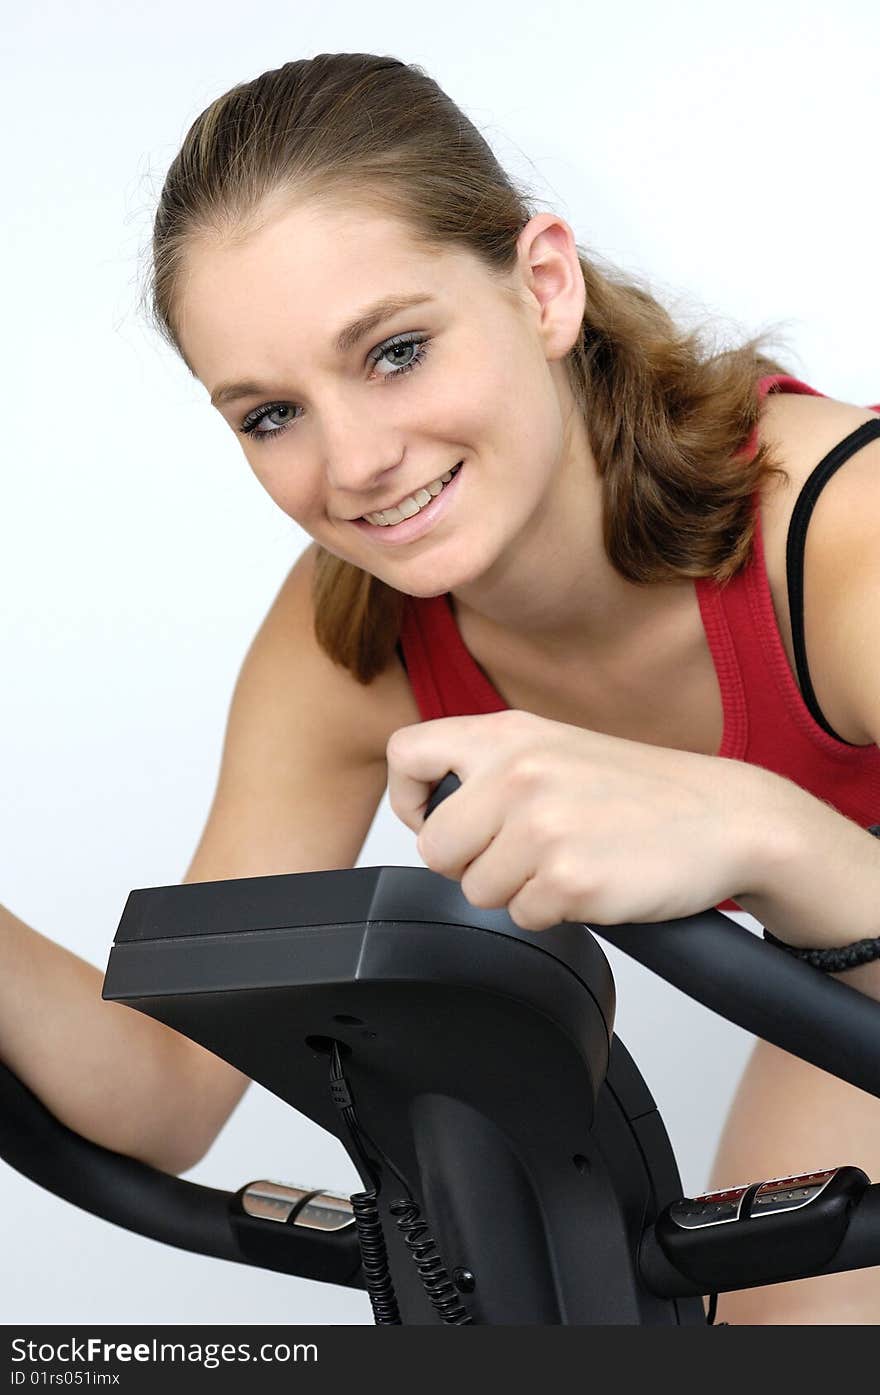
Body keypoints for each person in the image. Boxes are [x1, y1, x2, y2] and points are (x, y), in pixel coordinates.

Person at [2, 51, 880, 1326]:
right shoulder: (346, 640)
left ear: (542, 287)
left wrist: (765, 830)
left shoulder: (842, 542)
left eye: (396, 351)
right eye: (267, 415)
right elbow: (163, 1096)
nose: (353, 463)